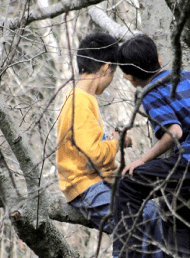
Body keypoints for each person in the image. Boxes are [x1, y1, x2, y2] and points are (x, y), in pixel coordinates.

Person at [114, 34, 190, 257]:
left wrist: (142, 160)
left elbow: (173, 132)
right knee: (175, 213)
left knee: (128, 183)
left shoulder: (150, 91)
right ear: (159, 58)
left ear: (129, 77)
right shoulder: (187, 76)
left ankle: (127, 253)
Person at [56, 32, 164, 257]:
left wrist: (115, 141)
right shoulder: (79, 101)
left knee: (153, 210)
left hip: (101, 180)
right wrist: (115, 142)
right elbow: (94, 155)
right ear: (106, 68)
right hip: (85, 185)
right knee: (133, 219)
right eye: (113, 73)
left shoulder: (86, 99)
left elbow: (89, 144)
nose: (112, 79)